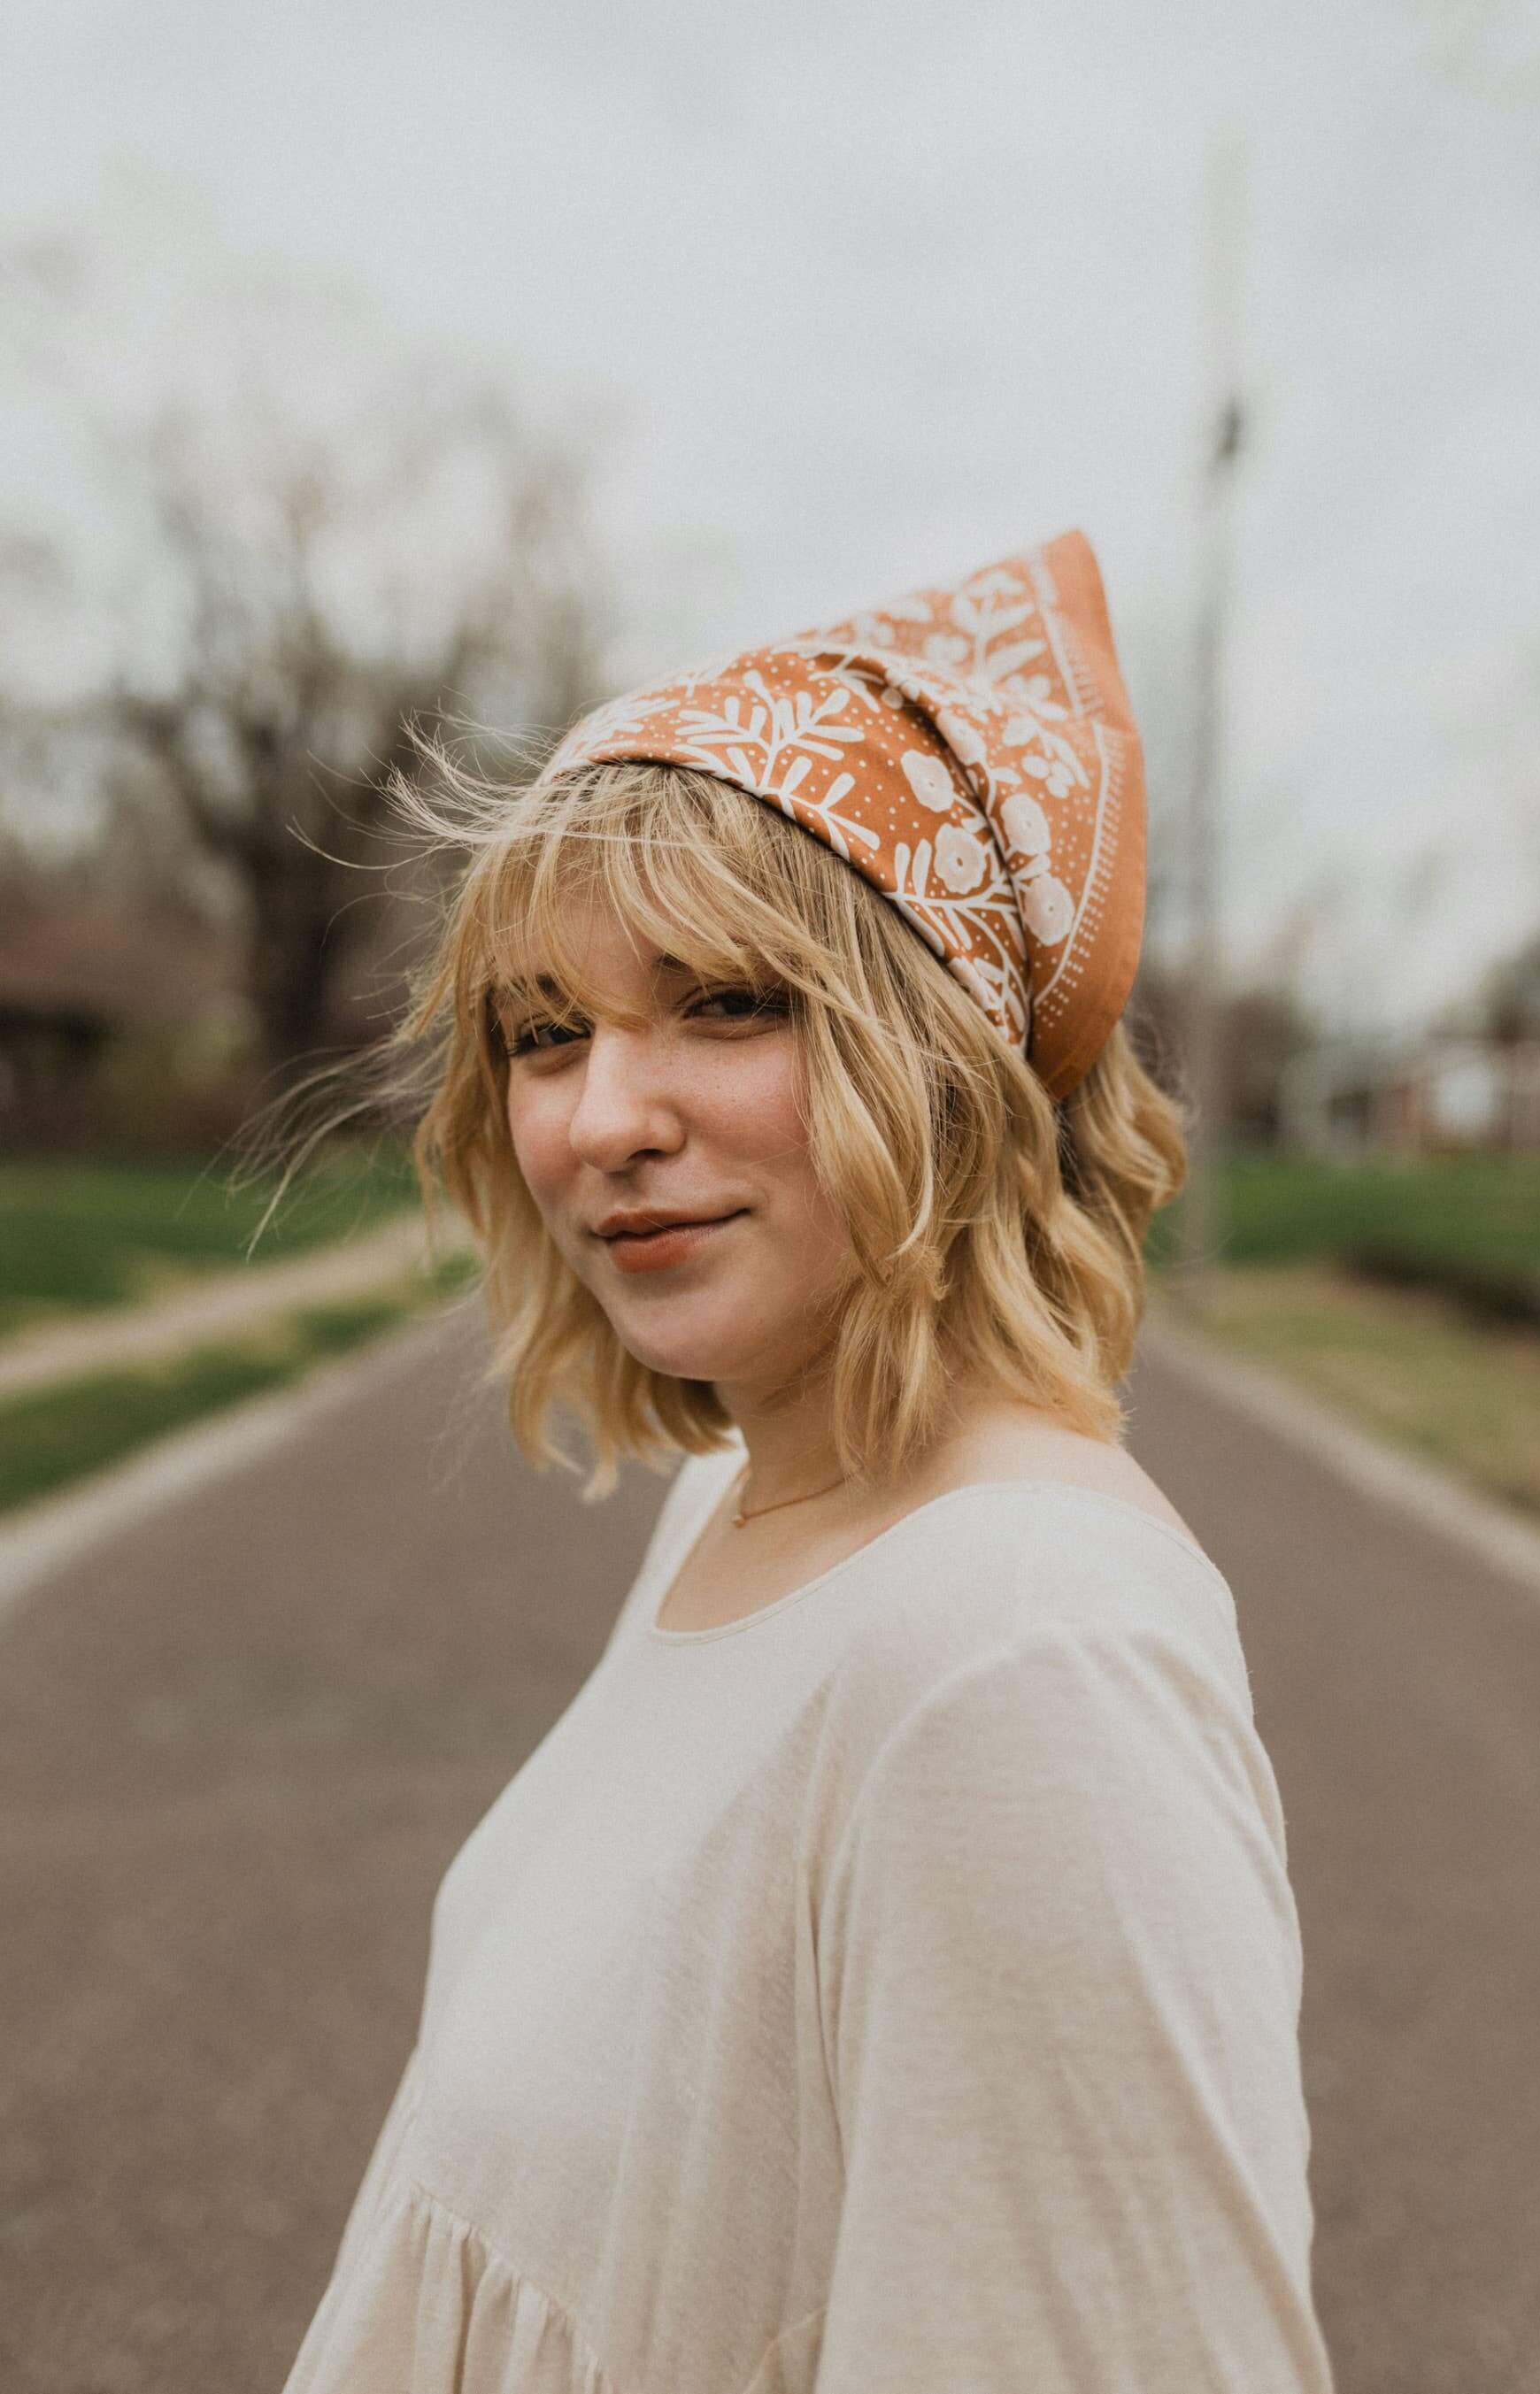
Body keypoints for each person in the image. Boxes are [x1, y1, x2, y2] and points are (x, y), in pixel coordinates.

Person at [280, 528, 1336, 2391]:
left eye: (723, 1004)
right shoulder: (732, 1504)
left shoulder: (1019, 1654)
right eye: (543, 1037)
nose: (601, 1120)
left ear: (948, 1060)